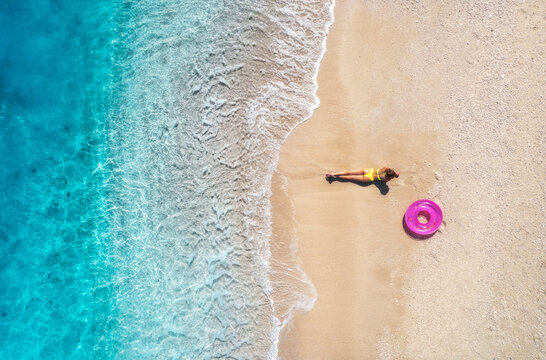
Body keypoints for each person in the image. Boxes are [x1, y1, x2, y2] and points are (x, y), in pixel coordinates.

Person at [325, 166, 400, 183]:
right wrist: (394, 176)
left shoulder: (385, 168)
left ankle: (333, 174)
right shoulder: (387, 178)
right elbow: (384, 182)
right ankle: (334, 178)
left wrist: (395, 173)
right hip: (368, 178)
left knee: (349, 172)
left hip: (367, 171)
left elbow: (391, 171)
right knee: (349, 178)